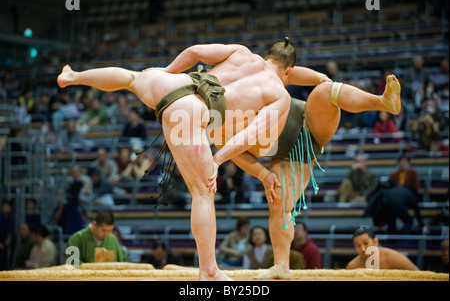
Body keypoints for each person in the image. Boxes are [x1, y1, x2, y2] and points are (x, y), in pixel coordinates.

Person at [58, 38, 402, 280]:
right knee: (217, 194)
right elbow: (248, 140)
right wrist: (224, 162)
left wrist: (165, 75)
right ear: (288, 70)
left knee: (133, 78)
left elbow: (194, 51)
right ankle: (229, 268)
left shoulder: (245, 57)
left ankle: (73, 76)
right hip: (218, 122)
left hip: (284, 127)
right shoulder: (275, 92)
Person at [346, 227, 419, 270]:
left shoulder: (393, 257)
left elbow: (419, 276)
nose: (363, 249)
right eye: (358, 245)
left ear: (375, 242)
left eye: (366, 243)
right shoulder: (352, 266)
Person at [0, 200, 15, 270]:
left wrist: (9, 240)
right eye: (4, 206)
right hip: (1, 241)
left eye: (7, 206)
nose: (5, 208)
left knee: (9, 260)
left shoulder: (12, 217)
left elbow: (13, 232)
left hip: (9, 243)